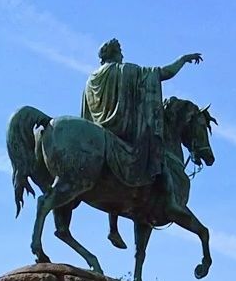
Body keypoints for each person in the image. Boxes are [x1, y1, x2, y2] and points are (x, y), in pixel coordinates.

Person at [81, 38, 203, 190]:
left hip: (97, 132)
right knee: (155, 147)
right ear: (115, 54)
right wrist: (183, 60)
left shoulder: (91, 80)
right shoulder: (125, 70)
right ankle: (166, 193)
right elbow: (164, 72)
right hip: (124, 132)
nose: (123, 56)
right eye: (120, 52)